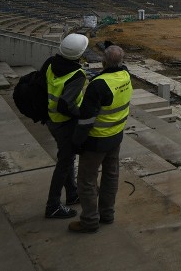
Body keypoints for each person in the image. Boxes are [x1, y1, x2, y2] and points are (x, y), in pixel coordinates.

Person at [68, 44, 132, 233]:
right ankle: (107, 214)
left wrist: (77, 142)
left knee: (86, 180)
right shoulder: (126, 76)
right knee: (111, 175)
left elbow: (86, 119)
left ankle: (89, 221)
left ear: (103, 62)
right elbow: (121, 66)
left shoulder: (98, 84)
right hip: (116, 135)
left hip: (96, 141)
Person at [43, 33, 89, 219]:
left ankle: (72, 193)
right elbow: (66, 104)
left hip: (50, 118)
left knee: (68, 157)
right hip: (65, 123)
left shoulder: (50, 63)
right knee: (64, 162)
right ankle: (53, 205)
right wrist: (82, 115)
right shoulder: (77, 75)